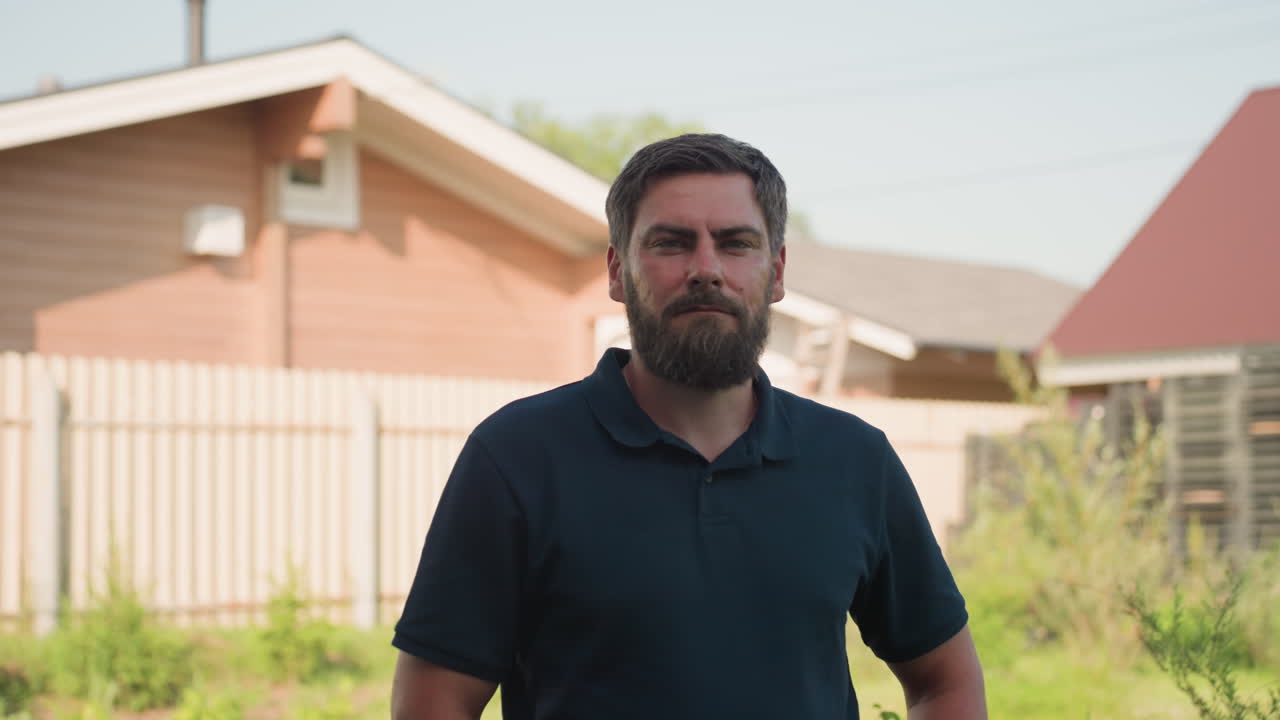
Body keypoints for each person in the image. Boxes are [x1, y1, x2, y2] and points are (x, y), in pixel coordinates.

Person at [390, 134, 987, 719]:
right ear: (618, 272)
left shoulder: (855, 461)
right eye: (672, 243)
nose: (706, 269)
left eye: (735, 243)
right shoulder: (516, 457)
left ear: (775, 272)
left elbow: (946, 683)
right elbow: (434, 702)